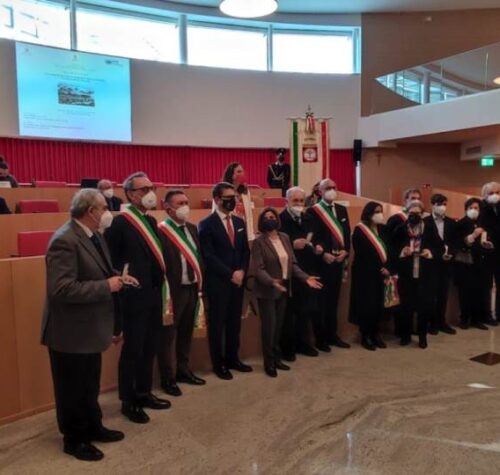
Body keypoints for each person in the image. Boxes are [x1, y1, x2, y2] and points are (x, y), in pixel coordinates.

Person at [41, 189, 135, 461]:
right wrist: (107, 286)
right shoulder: (64, 240)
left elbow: (100, 271)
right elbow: (61, 290)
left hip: (91, 327)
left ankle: (93, 426)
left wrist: (118, 278)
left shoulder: (94, 235)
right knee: (71, 388)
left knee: (89, 384)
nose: (108, 212)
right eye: (104, 207)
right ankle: (74, 439)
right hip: (70, 331)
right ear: (90, 211)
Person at [105, 172, 171, 425]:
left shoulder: (152, 221)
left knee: (150, 346)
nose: (149, 193)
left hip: (153, 294)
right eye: (143, 189)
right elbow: (109, 261)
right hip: (132, 297)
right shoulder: (120, 223)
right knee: (133, 349)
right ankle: (128, 400)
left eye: (151, 188)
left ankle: (144, 392)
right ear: (130, 194)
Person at [251, 208, 322, 377]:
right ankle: (269, 363)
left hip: (284, 288)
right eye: (266, 217)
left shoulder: (284, 237)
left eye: (272, 217)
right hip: (268, 290)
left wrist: (305, 278)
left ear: (277, 219)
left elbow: (293, 264)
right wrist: (272, 282)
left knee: (278, 327)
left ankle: (276, 358)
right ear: (261, 221)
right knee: (269, 328)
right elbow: (258, 269)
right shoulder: (259, 241)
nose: (270, 219)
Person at [199, 182, 252, 380]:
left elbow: (245, 251)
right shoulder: (206, 224)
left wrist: (242, 270)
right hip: (219, 282)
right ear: (217, 199)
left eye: (234, 197)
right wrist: (230, 273)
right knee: (217, 324)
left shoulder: (239, 222)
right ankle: (218, 364)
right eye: (228, 198)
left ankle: (233, 358)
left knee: (234, 323)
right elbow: (209, 256)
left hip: (238, 281)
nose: (232, 201)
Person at [157, 189, 206, 397]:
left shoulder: (193, 229)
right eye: (180, 203)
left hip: (192, 289)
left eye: (186, 202)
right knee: (167, 337)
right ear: (168, 208)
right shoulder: (161, 231)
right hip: (173, 292)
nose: (185, 207)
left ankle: (183, 370)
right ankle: (167, 378)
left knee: (186, 333)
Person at [307, 178, 351, 352]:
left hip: (338, 262)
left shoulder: (341, 210)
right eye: (328, 188)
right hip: (321, 263)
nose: (332, 190)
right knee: (320, 303)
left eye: (334, 187)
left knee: (333, 302)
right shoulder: (313, 211)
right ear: (320, 191)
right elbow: (312, 237)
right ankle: (320, 339)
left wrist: (345, 251)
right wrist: (323, 254)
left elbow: (346, 234)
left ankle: (333, 335)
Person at [279, 186, 322, 360]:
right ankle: (288, 349)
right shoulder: (280, 220)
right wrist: (292, 244)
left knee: (305, 310)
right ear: (287, 201)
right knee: (289, 313)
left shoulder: (309, 218)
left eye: (301, 201)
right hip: (289, 271)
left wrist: (318, 247)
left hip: (308, 269)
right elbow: (276, 244)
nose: (298, 204)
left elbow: (316, 239)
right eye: (295, 200)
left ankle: (304, 344)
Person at [392, 200, 443, 349]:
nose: (414, 216)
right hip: (406, 274)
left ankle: (422, 337)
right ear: (407, 213)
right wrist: (402, 251)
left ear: (422, 214)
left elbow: (440, 248)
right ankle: (405, 335)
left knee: (424, 307)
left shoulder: (429, 228)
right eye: (411, 213)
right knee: (406, 306)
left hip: (425, 275)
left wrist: (430, 252)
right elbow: (392, 248)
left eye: (418, 213)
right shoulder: (401, 229)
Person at [349, 202, 392, 351]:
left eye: (381, 211)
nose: (379, 214)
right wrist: (378, 268)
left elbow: (390, 250)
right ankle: (366, 335)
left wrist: (387, 267)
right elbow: (362, 254)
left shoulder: (383, 229)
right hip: (366, 274)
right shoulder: (360, 230)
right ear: (368, 213)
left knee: (379, 305)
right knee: (367, 305)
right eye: (376, 212)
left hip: (383, 274)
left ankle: (376, 333)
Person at [454, 198, 492, 330]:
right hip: (465, 263)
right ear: (466, 209)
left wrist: (487, 244)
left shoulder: (481, 223)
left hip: (479, 263)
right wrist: (473, 235)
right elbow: (459, 243)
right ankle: (464, 319)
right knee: (465, 293)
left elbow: (484, 240)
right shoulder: (461, 223)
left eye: (476, 208)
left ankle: (476, 319)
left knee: (478, 291)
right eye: (471, 208)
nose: (474, 210)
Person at [424, 193, 457, 335]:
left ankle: (441, 322)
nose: (442, 207)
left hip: (447, 264)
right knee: (431, 295)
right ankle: (432, 323)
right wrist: (438, 255)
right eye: (439, 204)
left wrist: (451, 254)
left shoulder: (451, 222)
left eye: (444, 204)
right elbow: (425, 243)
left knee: (443, 294)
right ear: (432, 205)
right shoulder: (425, 222)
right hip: (431, 263)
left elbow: (455, 242)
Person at [479, 181, 500, 327]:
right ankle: (486, 315)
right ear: (484, 195)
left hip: (499, 251)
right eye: (491, 193)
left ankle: (498, 313)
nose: (495, 195)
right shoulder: (480, 208)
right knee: (485, 285)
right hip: (486, 251)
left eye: (497, 193)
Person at [222, 162, 255, 241]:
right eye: (239, 171)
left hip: (245, 233)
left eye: (242, 171)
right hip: (229, 233)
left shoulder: (245, 192)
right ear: (231, 175)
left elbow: (249, 215)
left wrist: (251, 234)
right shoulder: (222, 191)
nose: (242, 174)